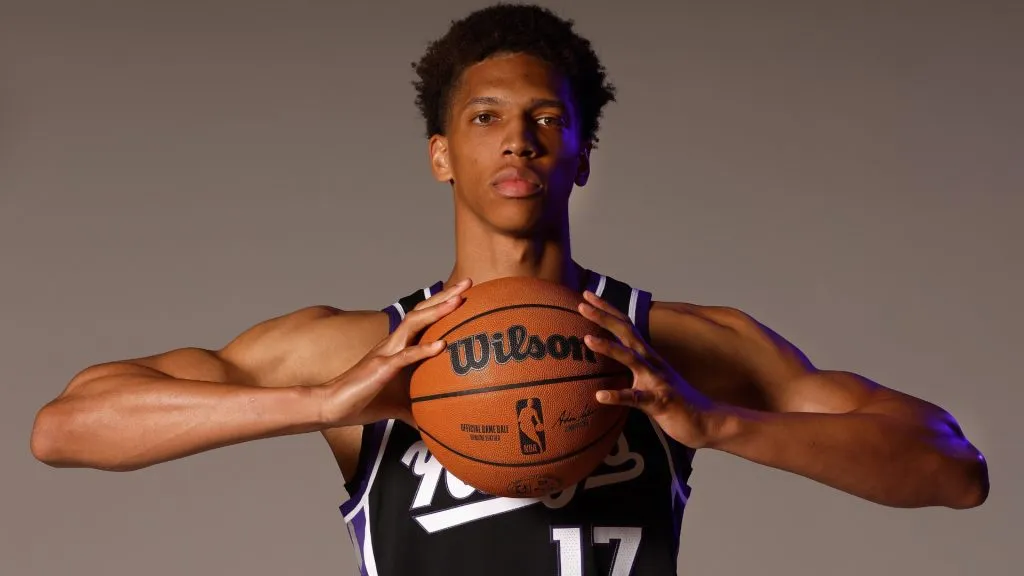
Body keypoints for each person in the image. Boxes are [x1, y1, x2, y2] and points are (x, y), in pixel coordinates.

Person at [29, 4, 989, 575]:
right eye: (486, 118)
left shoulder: (679, 346)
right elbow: (65, 427)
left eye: (544, 119)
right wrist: (320, 404)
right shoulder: (353, 352)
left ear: (579, 152)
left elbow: (953, 467)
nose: (517, 139)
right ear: (443, 156)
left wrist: (714, 424)